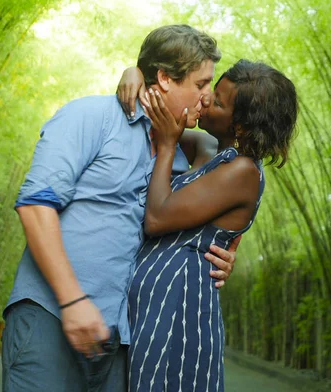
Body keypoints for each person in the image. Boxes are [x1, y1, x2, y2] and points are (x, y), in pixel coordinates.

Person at [1, 25, 240, 392]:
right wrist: (73, 300)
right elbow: (35, 206)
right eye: (200, 84)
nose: (207, 97)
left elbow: (231, 173)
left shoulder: (177, 153)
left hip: (123, 336)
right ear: (163, 78)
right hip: (51, 314)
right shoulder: (90, 116)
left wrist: (226, 250)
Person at [116, 59, 298, 391]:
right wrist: (136, 74)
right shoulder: (210, 149)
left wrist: (170, 146)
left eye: (217, 102)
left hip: (177, 312)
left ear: (240, 126)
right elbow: (153, 120)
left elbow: (157, 218)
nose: (204, 100)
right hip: (154, 307)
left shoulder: (242, 171)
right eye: (210, 91)